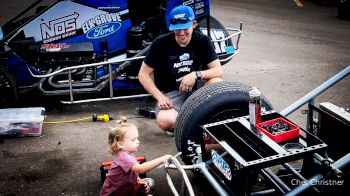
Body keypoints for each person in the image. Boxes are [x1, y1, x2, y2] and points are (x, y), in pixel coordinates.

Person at [138, 5, 223, 135]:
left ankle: (196, 122)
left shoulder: (203, 41)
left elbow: (218, 71)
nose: (181, 33)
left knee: (216, 82)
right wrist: (160, 97)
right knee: (166, 121)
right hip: (171, 93)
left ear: (194, 24)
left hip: (197, 89)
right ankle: (186, 125)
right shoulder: (160, 43)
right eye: (177, 29)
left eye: (185, 28)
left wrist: (195, 75)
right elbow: (143, 75)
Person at [100, 117, 172, 196]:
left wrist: (141, 182)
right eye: (133, 140)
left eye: (137, 138)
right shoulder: (124, 157)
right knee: (149, 184)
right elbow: (140, 169)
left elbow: (132, 174)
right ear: (120, 144)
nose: (138, 142)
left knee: (149, 182)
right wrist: (161, 159)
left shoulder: (128, 154)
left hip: (125, 189)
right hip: (113, 194)